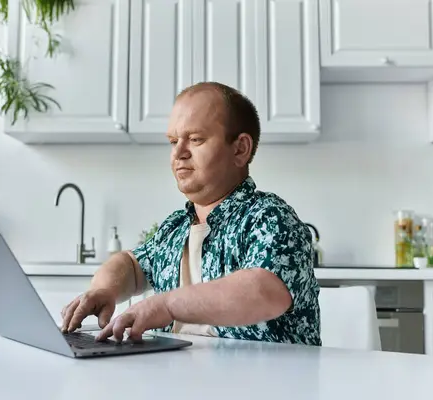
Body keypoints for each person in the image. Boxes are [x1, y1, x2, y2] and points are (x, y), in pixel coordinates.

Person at [61, 81, 321, 346]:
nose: (178, 153)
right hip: (184, 380)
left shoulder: (269, 217)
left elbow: (264, 291)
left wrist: (168, 305)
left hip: (269, 383)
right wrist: (104, 289)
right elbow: (131, 264)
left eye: (195, 139)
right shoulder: (175, 228)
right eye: (173, 141)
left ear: (240, 149)